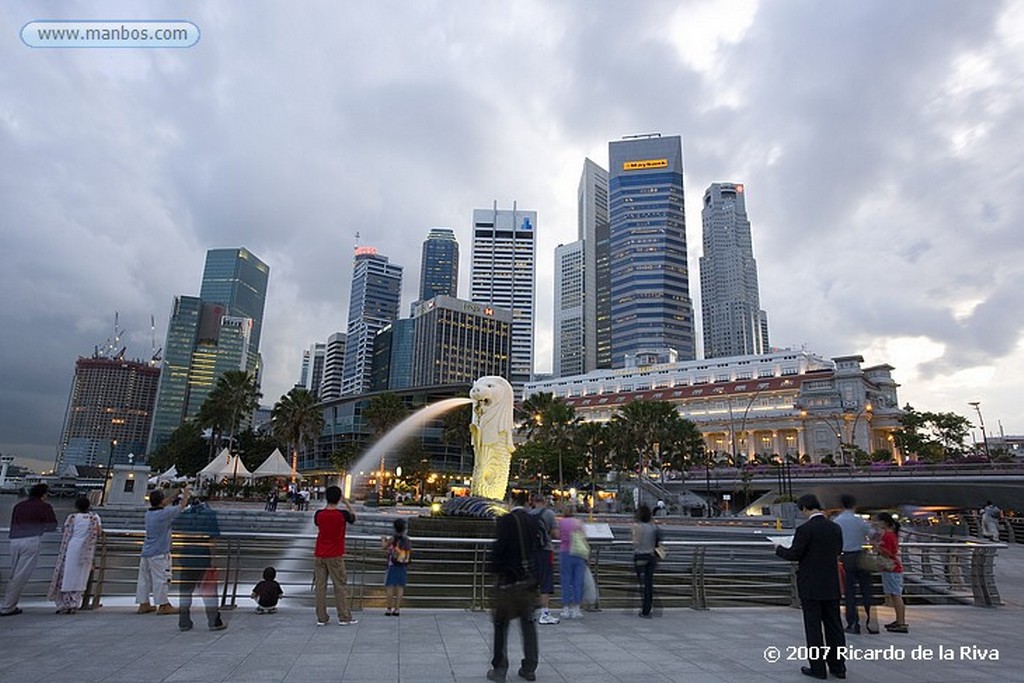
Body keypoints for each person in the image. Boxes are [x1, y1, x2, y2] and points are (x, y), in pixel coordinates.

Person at [774, 494, 847, 680]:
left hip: (811, 584)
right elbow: (838, 550)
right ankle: (838, 667)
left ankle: (818, 668)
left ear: (805, 508)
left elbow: (795, 554)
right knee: (834, 626)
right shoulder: (834, 527)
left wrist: (778, 549)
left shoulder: (805, 530)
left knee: (813, 628)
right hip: (831, 583)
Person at [487, 506, 541, 682]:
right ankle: (529, 667)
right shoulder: (534, 521)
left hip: (508, 581)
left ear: (511, 502)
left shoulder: (505, 521)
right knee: (528, 624)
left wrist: (492, 570)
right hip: (528, 582)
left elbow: (498, 549)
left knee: (501, 625)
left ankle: (500, 668)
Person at [1, 483, 58, 616]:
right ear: (44, 495)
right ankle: (8, 606)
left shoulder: (18, 506)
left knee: (14, 572)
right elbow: (52, 525)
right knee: (21, 575)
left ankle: (8, 604)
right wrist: (41, 527)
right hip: (31, 540)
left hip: (14, 540)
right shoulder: (45, 506)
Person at [174, 497, 226, 631]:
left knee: (185, 592)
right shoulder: (210, 514)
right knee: (209, 591)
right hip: (203, 557)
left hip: (186, 556)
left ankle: (184, 621)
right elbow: (212, 538)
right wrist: (213, 558)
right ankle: (214, 621)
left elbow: (177, 530)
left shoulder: (185, 515)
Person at [136, 487, 189, 615]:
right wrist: (186, 494)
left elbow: (167, 502)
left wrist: (175, 493)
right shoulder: (163, 514)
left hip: (146, 551)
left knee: (144, 579)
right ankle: (163, 605)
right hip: (159, 552)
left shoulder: (149, 513)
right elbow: (182, 506)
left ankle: (144, 604)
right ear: (161, 501)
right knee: (162, 578)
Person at [47, 496, 103, 614]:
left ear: (76, 507)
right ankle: (75, 603)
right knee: (80, 577)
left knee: (66, 574)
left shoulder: (72, 517)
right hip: (86, 551)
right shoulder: (94, 517)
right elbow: (98, 532)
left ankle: (64, 603)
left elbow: (66, 530)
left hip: (71, 547)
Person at [313, 485, 358, 625]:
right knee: (340, 585)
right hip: (335, 555)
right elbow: (354, 518)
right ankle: (344, 616)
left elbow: (317, 524)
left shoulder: (319, 514)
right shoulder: (342, 515)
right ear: (339, 498)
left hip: (319, 554)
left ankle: (321, 617)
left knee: (320, 587)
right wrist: (347, 502)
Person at [833, 493, 877, 634]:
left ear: (841, 505)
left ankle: (853, 623)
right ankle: (870, 622)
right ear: (854, 505)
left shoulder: (837, 521)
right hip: (861, 555)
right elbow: (872, 534)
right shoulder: (859, 521)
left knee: (849, 592)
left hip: (846, 557)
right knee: (866, 590)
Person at [528, 493, 559, 624]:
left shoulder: (528, 515)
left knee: (531, 582)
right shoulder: (549, 514)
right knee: (545, 582)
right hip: (545, 551)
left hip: (531, 551)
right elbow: (556, 534)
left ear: (533, 502)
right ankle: (544, 614)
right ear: (545, 501)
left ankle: (530, 613)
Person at [876, 512, 908, 633]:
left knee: (896, 595)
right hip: (893, 568)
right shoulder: (892, 534)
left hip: (891, 568)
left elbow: (888, 553)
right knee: (895, 595)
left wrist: (876, 547)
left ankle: (901, 622)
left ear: (884, 522)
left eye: (878, 521)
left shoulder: (887, 536)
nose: (876, 523)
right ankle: (899, 620)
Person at [557, 503, 587, 620]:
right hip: (579, 553)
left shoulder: (561, 522)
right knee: (578, 581)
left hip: (565, 552)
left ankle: (566, 608)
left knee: (566, 580)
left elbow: (559, 536)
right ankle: (576, 608)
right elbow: (584, 537)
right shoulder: (579, 522)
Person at [632, 503, 660, 618]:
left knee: (642, 584)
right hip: (651, 557)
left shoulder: (638, 526)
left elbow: (635, 543)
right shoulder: (653, 526)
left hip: (640, 556)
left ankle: (645, 609)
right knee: (649, 583)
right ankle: (648, 608)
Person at [382, 518, 411, 616]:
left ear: (394, 528)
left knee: (390, 587)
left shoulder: (393, 538)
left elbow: (384, 546)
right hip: (402, 565)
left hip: (392, 565)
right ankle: (397, 609)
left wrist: (383, 539)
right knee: (400, 588)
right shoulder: (406, 539)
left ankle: (388, 609)